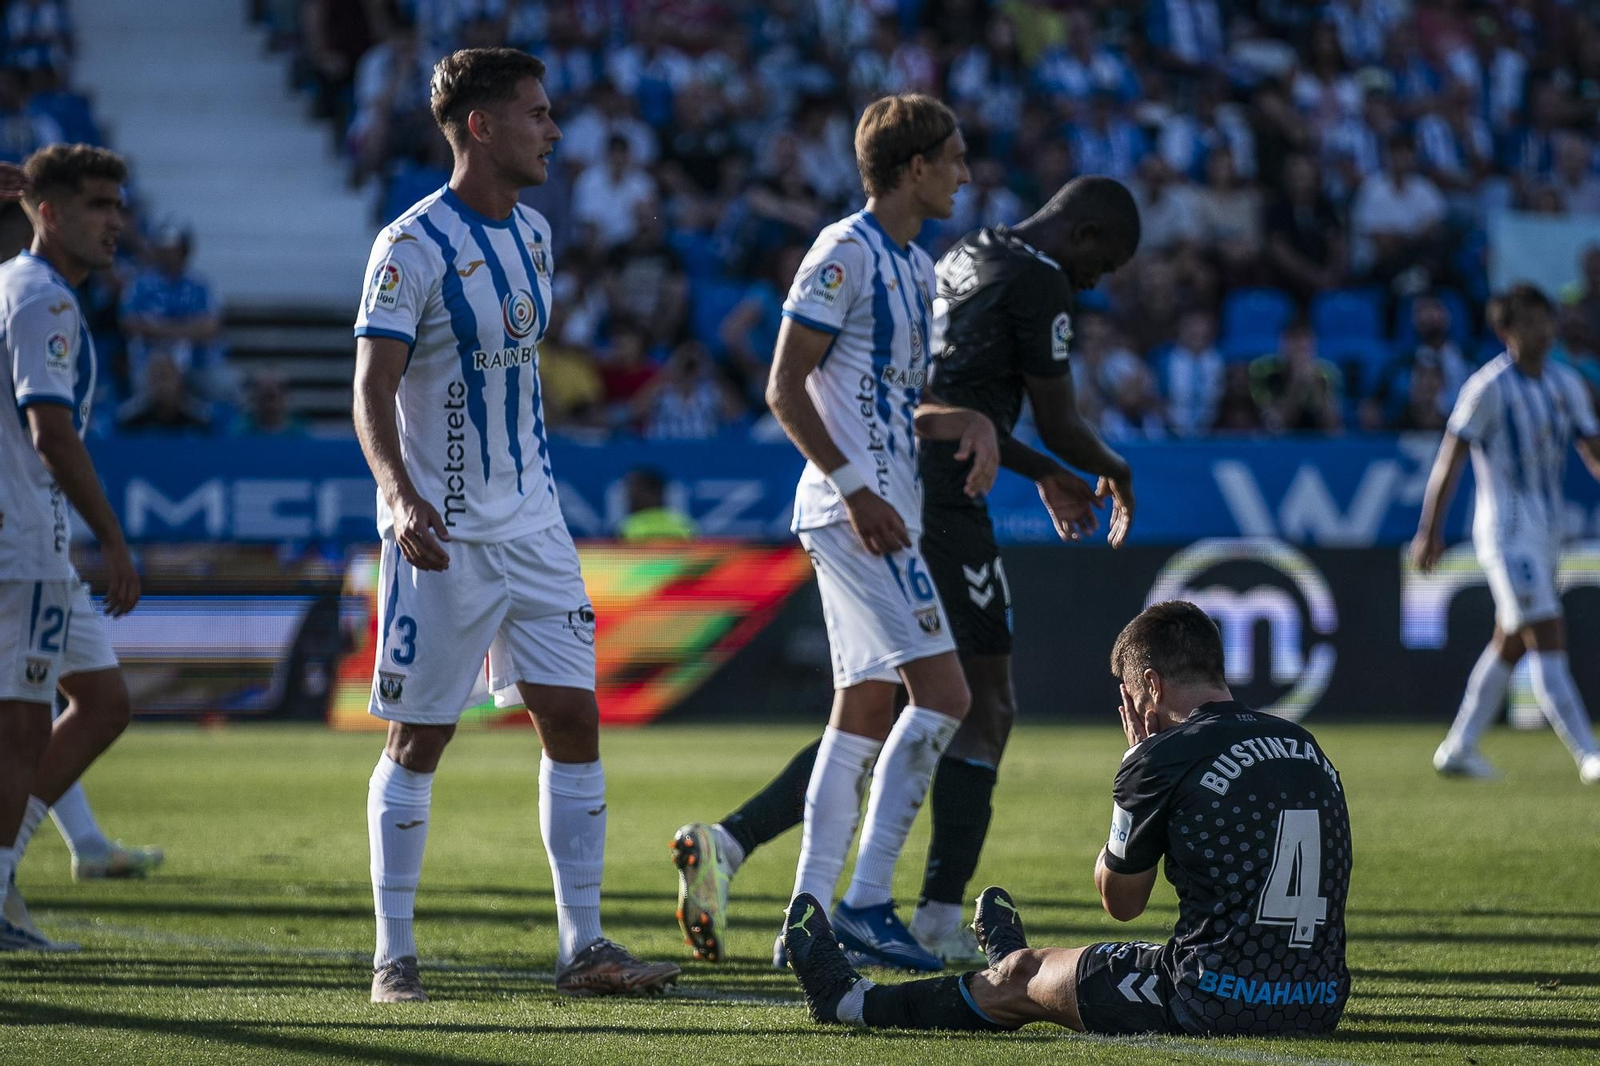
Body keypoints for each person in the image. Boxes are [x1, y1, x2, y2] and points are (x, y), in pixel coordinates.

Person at [671, 173, 1139, 969]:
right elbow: (1054, 419)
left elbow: (946, 405)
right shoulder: (1036, 278)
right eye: (1105, 263)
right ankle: (922, 915)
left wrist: (1039, 470)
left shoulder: (962, 255)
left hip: (914, 480)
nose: (1095, 283)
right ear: (1084, 234)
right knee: (974, 704)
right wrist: (1113, 469)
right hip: (935, 499)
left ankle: (745, 853)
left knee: (883, 707)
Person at [350, 47, 679, 1003]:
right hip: (441, 536)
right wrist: (399, 494)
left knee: (573, 719)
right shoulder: (409, 247)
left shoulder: (534, 233)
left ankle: (585, 947)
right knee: (419, 738)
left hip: (536, 526)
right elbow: (370, 389)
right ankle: (393, 956)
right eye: (537, 114)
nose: (555, 131)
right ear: (482, 126)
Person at [674, 92, 1000, 974]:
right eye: (954, 158)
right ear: (913, 167)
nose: (966, 174)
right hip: (856, 512)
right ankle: (864, 904)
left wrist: (965, 421)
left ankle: (809, 916)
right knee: (947, 696)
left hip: (881, 506)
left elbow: (888, 404)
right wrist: (856, 490)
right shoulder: (843, 252)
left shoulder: (916, 268)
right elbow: (784, 386)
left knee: (862, 709)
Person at [785, 600, 1352, 1039]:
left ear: (1151, 685)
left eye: (1130, 696)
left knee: (1021, 978)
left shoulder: (1162, 756)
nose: (1133, 712)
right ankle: (1008, 956)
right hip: (1320, 1002)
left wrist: (1135, 769)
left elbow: (1121, 903)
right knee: (1086, 964)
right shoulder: (1304, 744)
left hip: (1213, 999)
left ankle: (852, 1001)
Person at [0, 145, 143, 951]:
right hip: (22, 544)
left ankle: (6, 866)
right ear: (48, 212)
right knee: (20, 727)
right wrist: (113, 539)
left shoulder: (20, 288)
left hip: (38, 544)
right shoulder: (42, 299)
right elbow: (50, 431)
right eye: (96, 205)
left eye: (118, 205)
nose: (114, 221)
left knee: (103, 701)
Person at [1413, 285, 1600, 784]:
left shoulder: (1566, 383)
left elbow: (1593, 452)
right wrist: (1429, 530)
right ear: (1505, 331)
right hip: (1505, 531)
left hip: (1548, 530)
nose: (1543, 330)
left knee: (1511, 639)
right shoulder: (1487, 387)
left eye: (1545, 319)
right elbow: (1450, 459)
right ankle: (1589, 755)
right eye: (1530, 322)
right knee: (1547, 631)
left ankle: (1459, 748)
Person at [618, 467, 695, 542]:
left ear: (656, 492)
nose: (629, 496)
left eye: (636, 491)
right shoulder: (685, 524)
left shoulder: (627, 527)